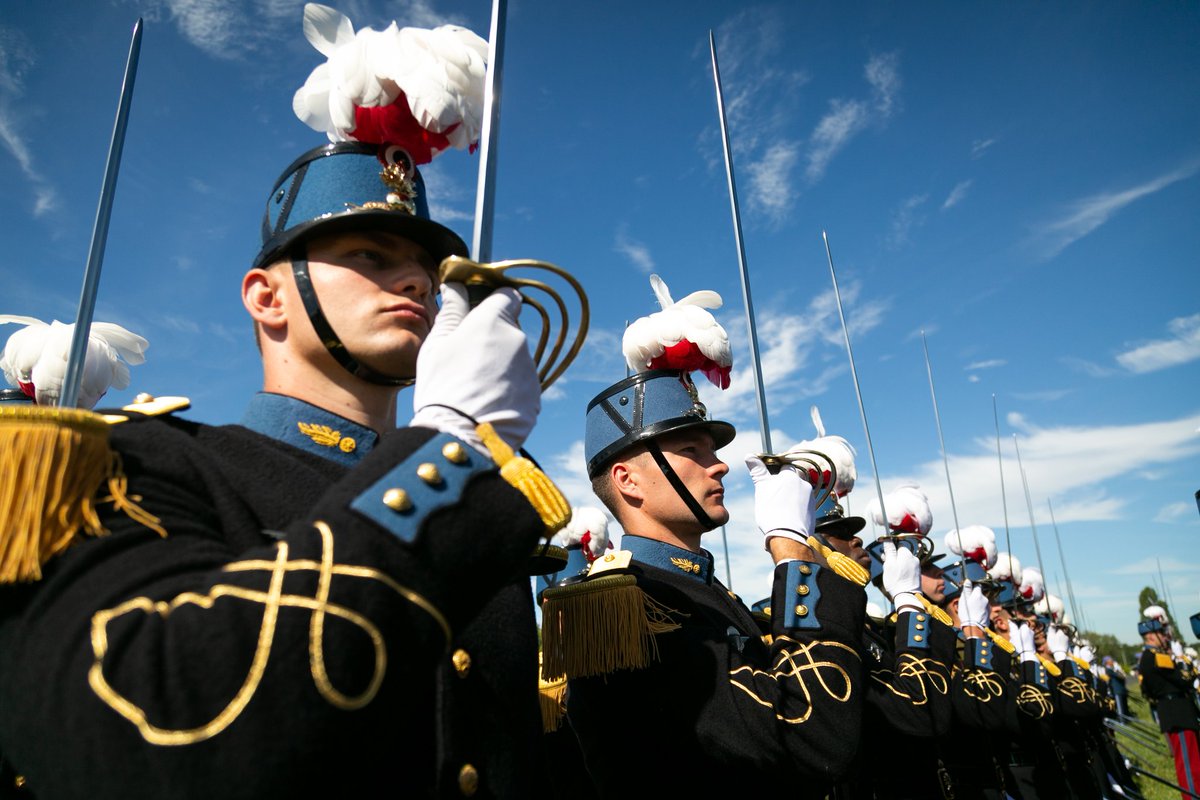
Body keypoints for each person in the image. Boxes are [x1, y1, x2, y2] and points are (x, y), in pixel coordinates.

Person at [0, 134, 561, 797]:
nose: (416, 281)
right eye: (369, 256)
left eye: (423, 270)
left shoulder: (480, 511)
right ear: (267, 297)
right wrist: (448, 449)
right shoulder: (138, 466)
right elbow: (148, 741)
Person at [544, 368, 866, 797]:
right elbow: (811, 735)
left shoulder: (706, 592)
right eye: (691, 449)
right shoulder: (626, 605)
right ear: (628, 480)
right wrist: (791, 551)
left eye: (711, 449)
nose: (719, 465)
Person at [1137, 612, 1200, 799]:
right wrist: (1183, 662)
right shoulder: (1155, 656)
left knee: (1194, 761)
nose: (1165, 636)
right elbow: (1183, 680)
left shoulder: (1155, 656)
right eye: (1161, 633)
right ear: (1151, 635)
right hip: (1177, 713)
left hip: (1177, 710)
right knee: (1189, 765)